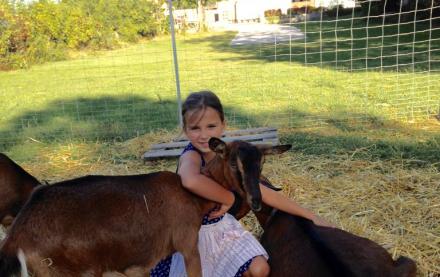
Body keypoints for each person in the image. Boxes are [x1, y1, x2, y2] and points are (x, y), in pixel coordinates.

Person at [150, 90, 332, 277]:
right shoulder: (191, 156)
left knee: (260, 269)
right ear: (185, 130)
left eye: (211, 126)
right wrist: (228, 198)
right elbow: (189, 180)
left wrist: (310, 216)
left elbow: (262, 191)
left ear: (223, 125)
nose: (204, 135)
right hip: (194, 235)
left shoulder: (230, 153)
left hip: (222, 229)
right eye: (195, 128)